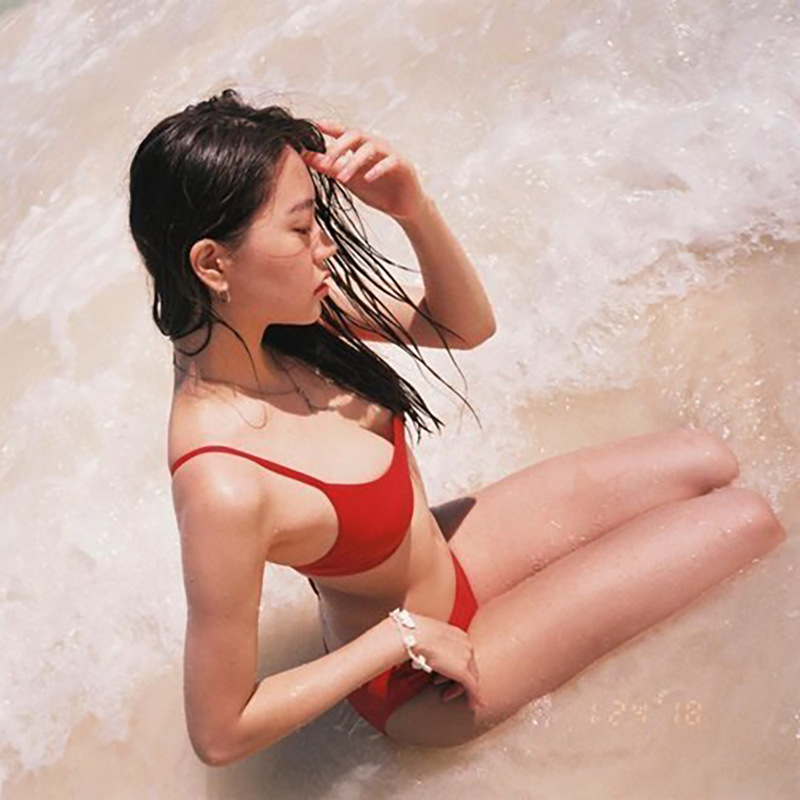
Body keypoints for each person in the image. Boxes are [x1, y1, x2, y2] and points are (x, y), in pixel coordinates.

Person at [127, 89, 787, 767]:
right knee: (749, 521)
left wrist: (413, 209)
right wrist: (399, 639)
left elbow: (466, 326)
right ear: (213, 264)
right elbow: (220, 732)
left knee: (704, 458)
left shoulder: (280, 319)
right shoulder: (222, 484)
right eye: (300, 229)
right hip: (420, 679)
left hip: (447, 559)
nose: (324, 246)